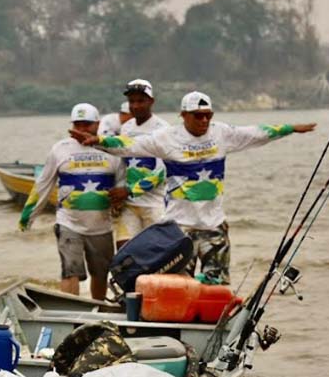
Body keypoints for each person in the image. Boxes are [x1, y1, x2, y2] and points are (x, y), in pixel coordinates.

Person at [71, 91, 316, 285]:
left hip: (214, 227)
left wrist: (290, 128)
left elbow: (258, 133)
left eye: (208, 115)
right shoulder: (167, 138)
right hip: (179, 230)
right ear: (183, 115)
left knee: (216, 286)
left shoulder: (222, 133)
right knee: (177, 285)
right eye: (198, 116)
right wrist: (100, 141)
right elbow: (129, 145)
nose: (204, 120)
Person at [19, 103, 124, 300]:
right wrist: (28, 216)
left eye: (87, 124)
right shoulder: (60, 149)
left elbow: (122, 185)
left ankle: (97, 311)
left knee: (101, 274)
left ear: (97, 125)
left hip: (101, 226)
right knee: (70, 270)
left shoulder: (112, 150)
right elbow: (43, 184)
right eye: (78, 124)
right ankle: (70, 313)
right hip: (68, 223)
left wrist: (120, 204)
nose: (82, 129)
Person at [110, 78, 170, 248]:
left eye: (141, 101)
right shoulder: (127, 128)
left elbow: (162, 172)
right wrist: (118, 193)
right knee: (124, 252)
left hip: (155, 205)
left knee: (157, 253)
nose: (135, 106)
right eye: (131, 101)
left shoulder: (163, 129)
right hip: (129, 204)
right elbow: (122, 164)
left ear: (151, 101)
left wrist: (128, 190)